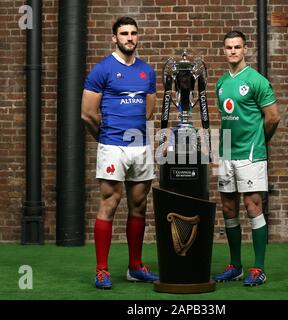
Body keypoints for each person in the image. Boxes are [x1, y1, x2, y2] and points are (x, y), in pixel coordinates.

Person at [81, 16, 158, 290]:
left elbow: (149, 112)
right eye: (124, 33)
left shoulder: (147, 72)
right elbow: (87, 114)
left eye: (133, 33)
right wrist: (104, 139)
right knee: (110, 203)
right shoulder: (102, 70)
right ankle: (102, 270)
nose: (129, 37)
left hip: (140, 147)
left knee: (139, 205)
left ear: (138, 37)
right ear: (114, 37)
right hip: (112, 146)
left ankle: (135, 267)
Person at [213, 31, 280, 286]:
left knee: (253, 207)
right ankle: (235, 266)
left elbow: (273, 117)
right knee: (229, 208)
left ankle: (259, 268)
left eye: (237, 47)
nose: (233, 51)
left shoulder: (257, 80)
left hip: (251, 154)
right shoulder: (220, 83)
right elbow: (226, 119)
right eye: (228, 47)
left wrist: (259, 142)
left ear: (245, 49)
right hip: (227, 153)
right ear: (224, 50)